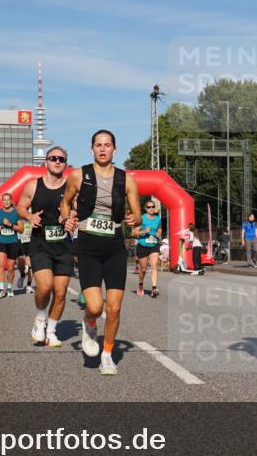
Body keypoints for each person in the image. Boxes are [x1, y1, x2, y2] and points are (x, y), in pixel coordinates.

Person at [60, 130, 141, 376]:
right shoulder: (78, 175)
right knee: (95, 306)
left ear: (114, 149)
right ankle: (90, 323)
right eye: (98, 145)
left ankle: (107, 354)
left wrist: (133, 218)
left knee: (114, 308)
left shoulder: (126, 180)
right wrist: (67, 219)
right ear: (92, 149)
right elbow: (65, 202)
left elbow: (137, 214)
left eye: (107, 145)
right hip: (88, 245)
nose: (103, 149)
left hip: (115, 245)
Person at [16, 146, 74, 346]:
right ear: (46, 162)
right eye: (53, 158)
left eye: (62, 159)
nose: (57, 161)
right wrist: (29, 216)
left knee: (60, 292)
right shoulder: (33, 186)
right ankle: (40, 318)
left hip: (64, 246)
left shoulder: (71, 187)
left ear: (66, 163)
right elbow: (20, 207)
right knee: (45, 286)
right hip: (40, 244)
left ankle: (51, 330)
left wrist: (71, 219)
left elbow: (79, 210)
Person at [0, 192, 24, 298]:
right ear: (2, 201)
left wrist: (10, 225)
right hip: (1, 241)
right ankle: (1, 289)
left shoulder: (16, 213)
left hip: (13, 242)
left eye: (8, 200)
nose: (6, 202)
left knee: (10, 268)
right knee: (1, 265)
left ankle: (9, 288)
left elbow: (21, 229)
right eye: (4, 200)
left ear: (11, 201)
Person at [134, 200, 162, 298]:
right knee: (143, 269)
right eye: (149, 207)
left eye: (153, 207)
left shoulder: (158, 219)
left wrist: (158, 233)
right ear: (145, 208)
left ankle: (154, 288)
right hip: (143, 245)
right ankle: (141, 284)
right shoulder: (141, 219)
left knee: (154, 266)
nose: (151, 209)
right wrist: (144, 231)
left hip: (154, 244)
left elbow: (159, 228)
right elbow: (134, 232)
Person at [15, 215, 34, 294]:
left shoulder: (35, 207)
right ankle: (22, 275)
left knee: (30, 262)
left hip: (31, 238)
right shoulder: (18, 209)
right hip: (20, 238)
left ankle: (29, 285)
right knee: (20, 260)